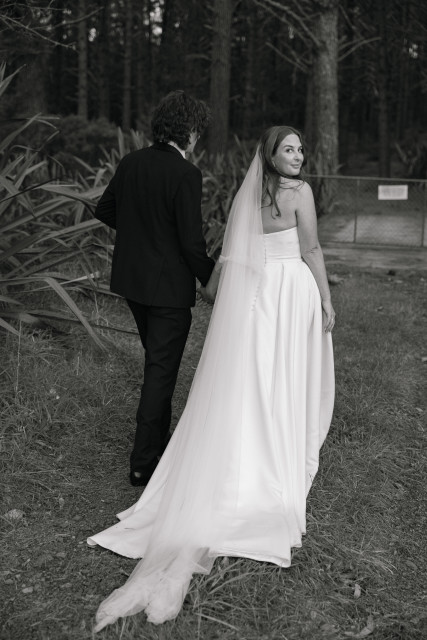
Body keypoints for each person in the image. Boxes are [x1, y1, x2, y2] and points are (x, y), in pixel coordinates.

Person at [88, 125, 335, 630]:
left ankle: (240, 451)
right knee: (276, 375)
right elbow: (310, 251)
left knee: (249, 380)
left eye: (301, 149)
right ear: (272, 155)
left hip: (257, 298)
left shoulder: (250, 197)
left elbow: (229, 258)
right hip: (288, 293)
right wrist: (327, 299)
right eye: (289, 149)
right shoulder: (300, 193)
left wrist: (211, 287)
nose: (298, 156)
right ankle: (273, 452)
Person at [93, 90, 215, 487]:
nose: (197, 139)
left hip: (133, 282)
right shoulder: (186, 174)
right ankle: (143, 463)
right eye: (198, 131)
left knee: (157, 364)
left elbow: (104, 209)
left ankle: (158, 445)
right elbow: (191, 243)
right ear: (189, 130)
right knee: (160, 372)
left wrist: (141, 236)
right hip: (167, 290)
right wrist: (211, 279)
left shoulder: (131, 162)